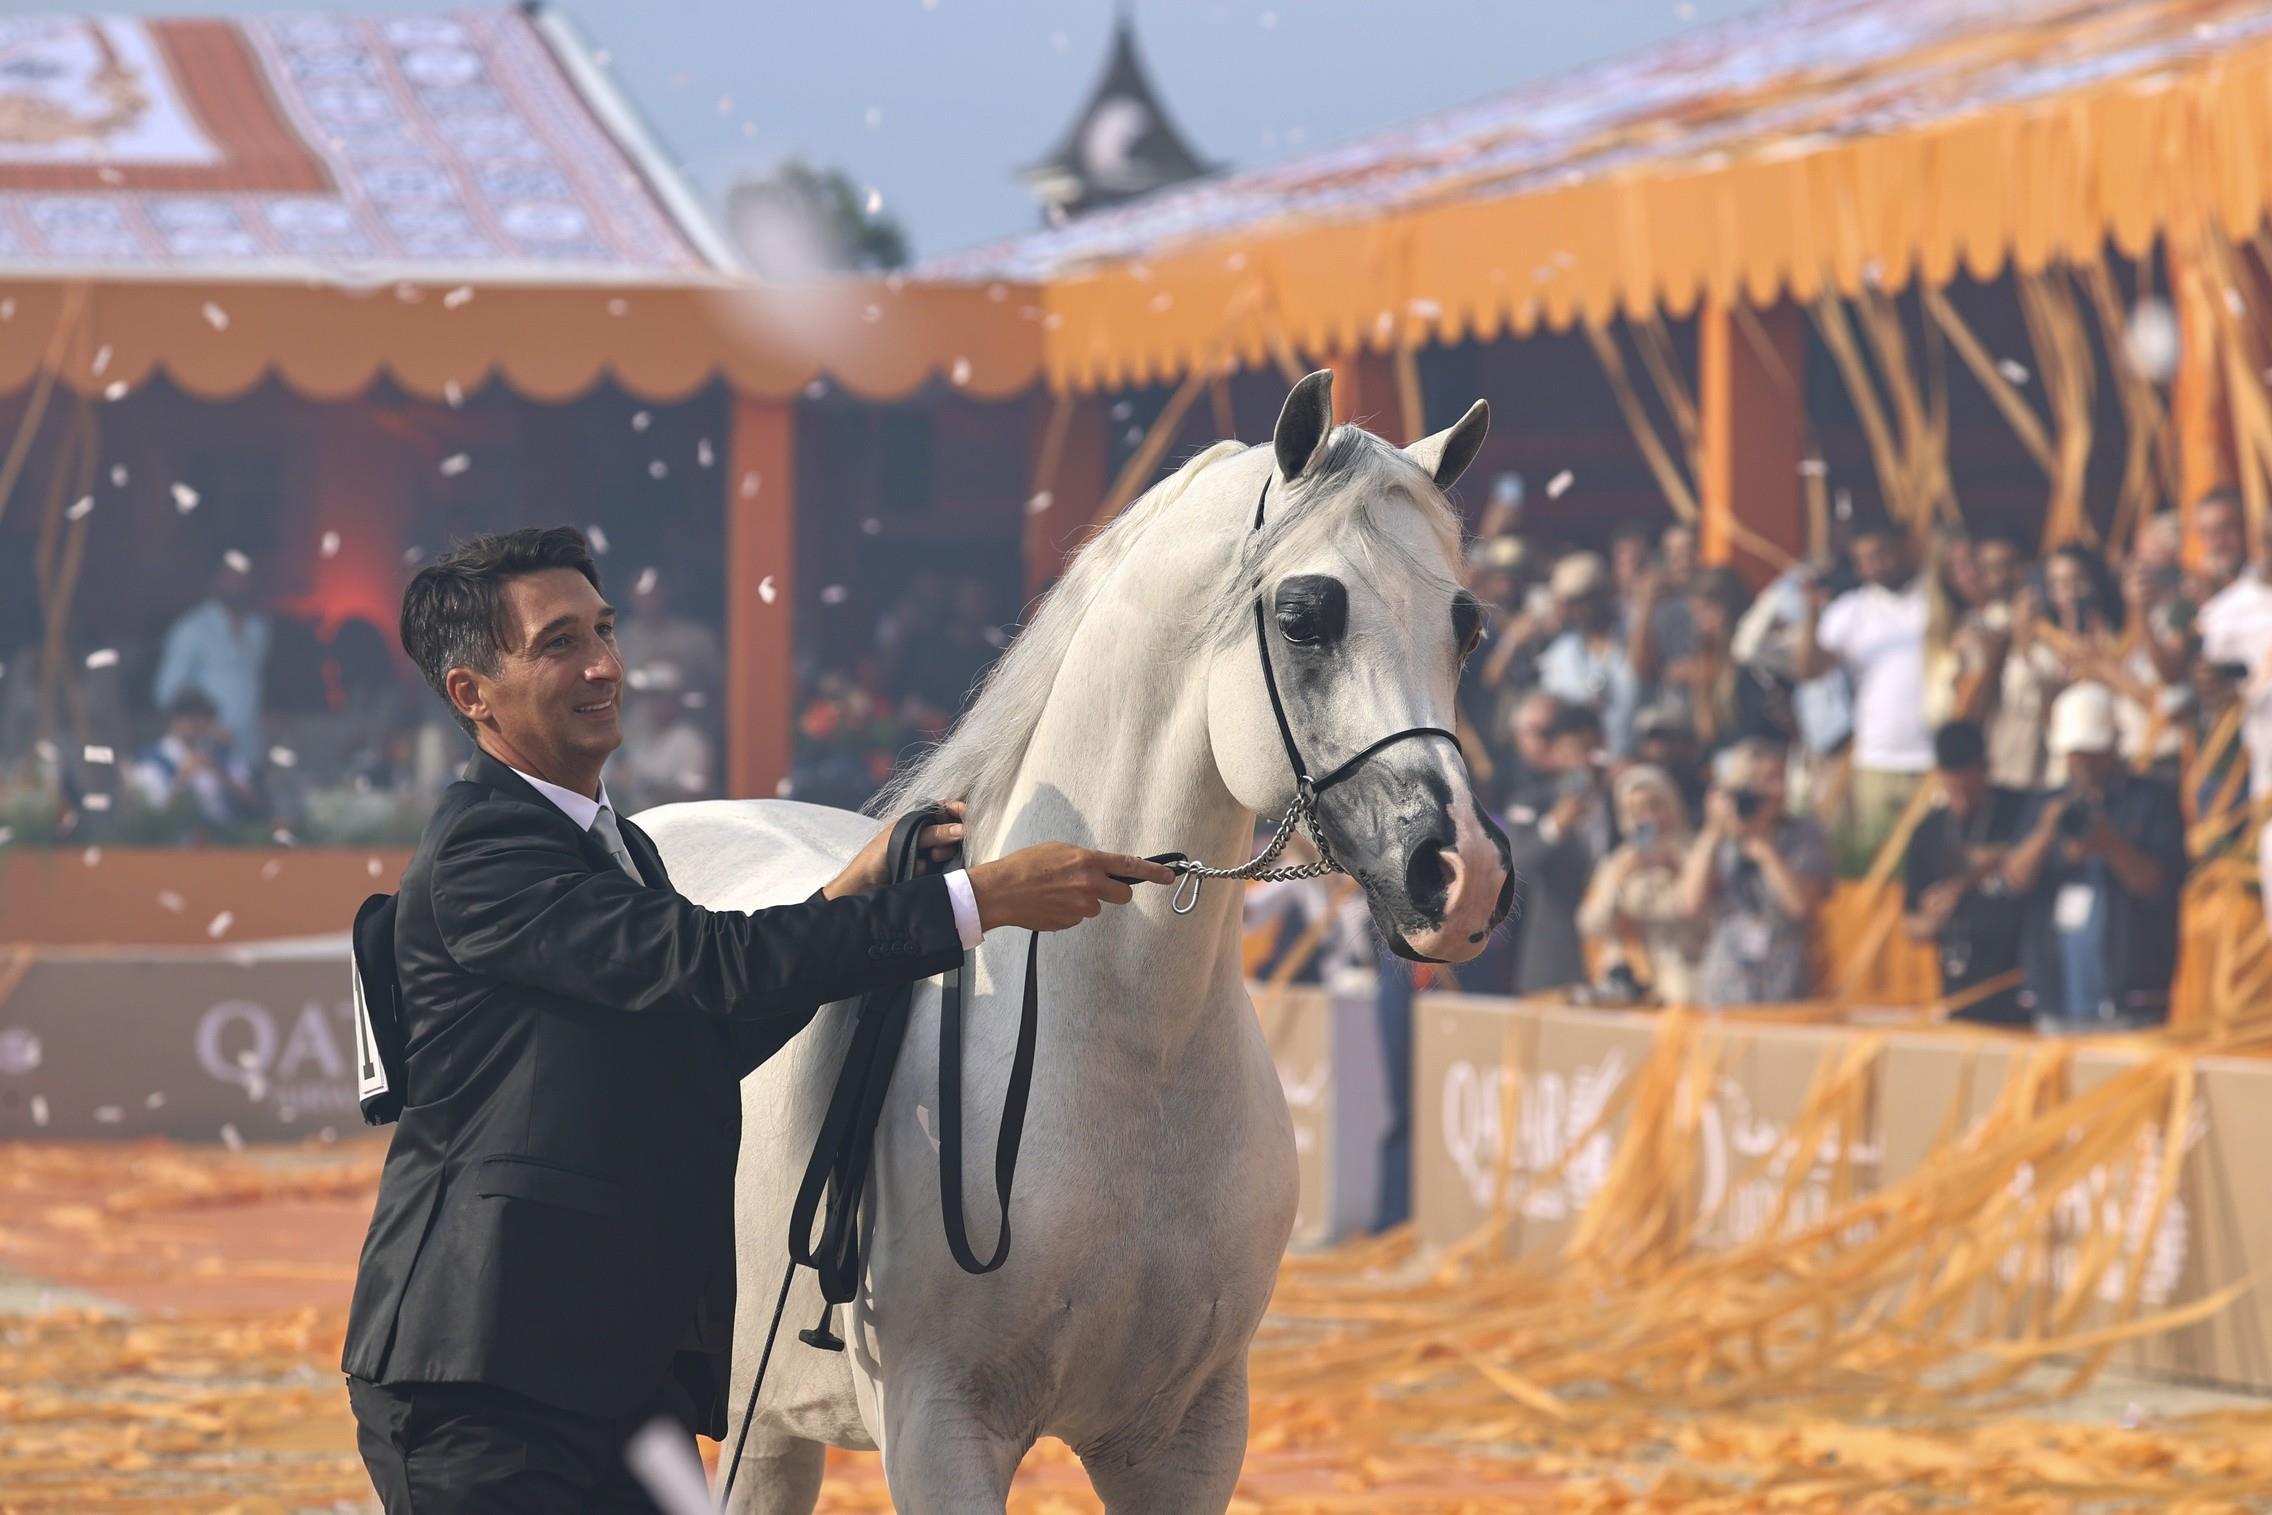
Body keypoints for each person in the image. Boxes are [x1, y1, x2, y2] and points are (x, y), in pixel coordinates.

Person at [342, 527, 1170, 1512]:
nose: (605, 663)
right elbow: (716, 969)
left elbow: (710, 1029)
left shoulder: (612, 848)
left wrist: (848, 899)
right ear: (471, 692)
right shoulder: (488, 850)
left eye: (604, 630)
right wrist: (976, 902)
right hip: (484, 1382)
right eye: (558, 642)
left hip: (608, 1371)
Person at [2001, 683, 2187, 1035]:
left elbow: (2160, 885)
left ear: (2112, 746)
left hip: (2128, 1003)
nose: (2082, 762)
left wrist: (2109, 844)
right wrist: (2045, 835)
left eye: (2091, 752)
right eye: (2075, 753)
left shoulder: (2152, 802)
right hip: (2055, 1000)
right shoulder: (2045, 805)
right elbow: (2012, 881)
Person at [1797, 518, 1933, 869]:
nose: (1876, 565)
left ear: (1903, 548)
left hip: (1934, 758)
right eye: (1865, 560)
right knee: (1879, 866)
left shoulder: (1937, 600)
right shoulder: (1851, 610)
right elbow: (1809, 669)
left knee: (1928, 865)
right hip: (1876, 757)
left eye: (1882, 554)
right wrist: (1811, 612)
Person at [1681, 738, 1832, 1008]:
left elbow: (1799, 906)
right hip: (1726, 978)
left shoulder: (1803, 835)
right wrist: (1713, 831)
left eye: (1780, 779)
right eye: (1765, 781)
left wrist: (1764, 849)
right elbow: (1690, 903)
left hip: (1783, 981)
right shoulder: (1722, 837)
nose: (1776, 790)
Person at [1901, 720, 2030, 1027]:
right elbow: (1911, 925)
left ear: (1986, 768)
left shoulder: (2021, 812)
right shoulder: (1929, 832)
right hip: (1959, 993)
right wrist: (1933, 918)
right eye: (1952, 790)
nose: (1960, 802)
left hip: (2020, 993)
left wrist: (1992, 861)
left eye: (1968, 792)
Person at [1505, 702, 1613, 996]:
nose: (1585, 761)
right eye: (1576, 750)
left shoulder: (1624, 801)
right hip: (1554, 965)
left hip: (1618, 961)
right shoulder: (1531, 802)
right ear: (1557, 753)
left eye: (1593, 749)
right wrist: (1553, 828)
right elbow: (1515, 868)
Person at [1576, 764, 1706, 1005]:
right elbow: (1592, 924)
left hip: (1685, 979)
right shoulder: (1619, 861)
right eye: (1635, 810)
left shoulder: (1696, 854)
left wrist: (1676, 872)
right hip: (1632, 979)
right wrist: (1619, 881)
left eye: (1654, 805)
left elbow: (1691, 912)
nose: (1646, 817)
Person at [154, 554, 272, 773]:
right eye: (231, 575)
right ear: (216, 578)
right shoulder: (190, 629)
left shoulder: (259, 630)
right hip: (207, 761)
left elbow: (252, 686)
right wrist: (208, 729)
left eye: (243, 575)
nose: (238, 582)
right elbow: (168, 694)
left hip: (251, 754)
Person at [1536, 551, 1640, 755]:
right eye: (1572, 603)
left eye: (1587, 599)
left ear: (1606, 594)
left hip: (1641, 763)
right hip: (1587, 770)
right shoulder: (1560, 654)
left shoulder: (1637, 634)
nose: (1581, 609)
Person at [128, 690, 258, 835]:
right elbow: (152, 815)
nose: (198, 723)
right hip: (175, 844)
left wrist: (219, 772)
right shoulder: (152, 760)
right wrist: (183, 778)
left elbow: (252, 801)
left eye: (204, 717)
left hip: (226, 840)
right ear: (175, 720)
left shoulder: (220, 752)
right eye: (191, 717)